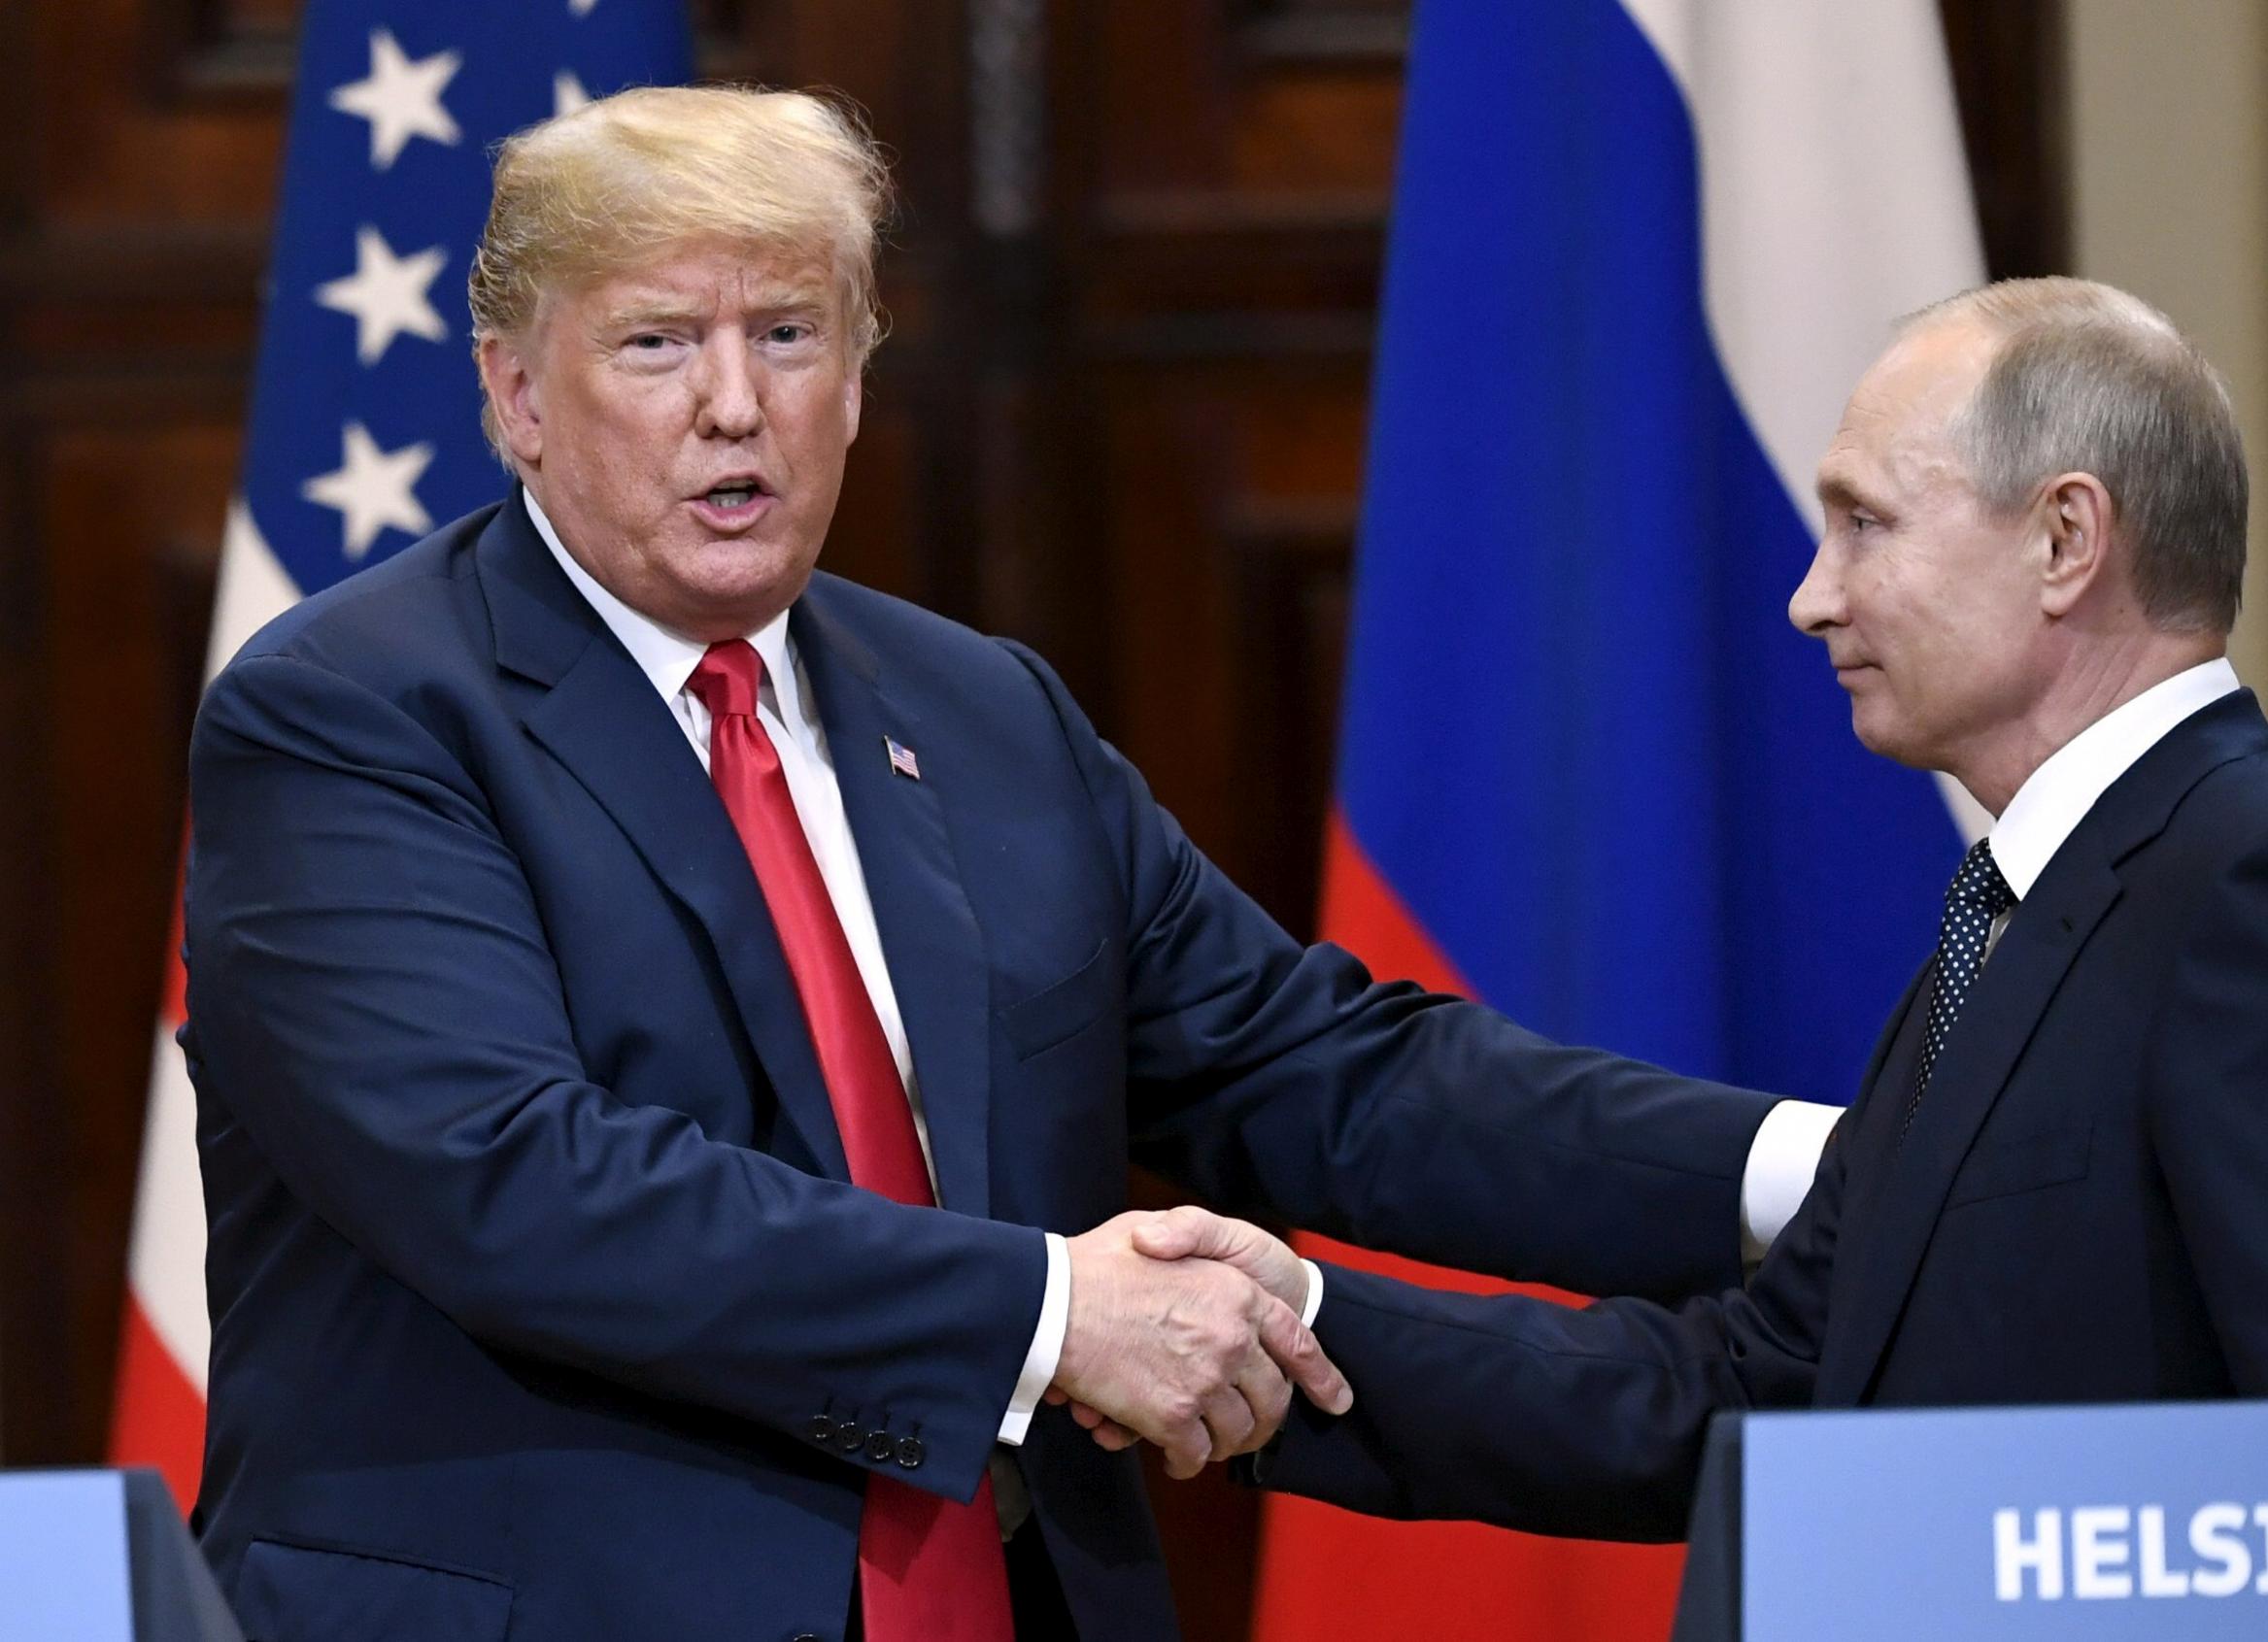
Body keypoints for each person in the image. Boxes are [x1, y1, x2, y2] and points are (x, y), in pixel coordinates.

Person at [180, 86, 1828, 1641]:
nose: (734, 404)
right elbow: (520, 1183)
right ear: (518, 395)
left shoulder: (980, 711)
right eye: (658, 344)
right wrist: (1054, 1315)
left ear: (860, 372)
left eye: (789, 336)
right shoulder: (352, 716)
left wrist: (1806, 1172)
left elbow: (1321, 1068)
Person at [1161, 277, 2268, 1540]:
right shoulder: (2019, 916)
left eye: (1866, 524)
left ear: (2064, 542)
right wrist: (1293, 1333)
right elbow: (1764, 1384)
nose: (1812, 597)